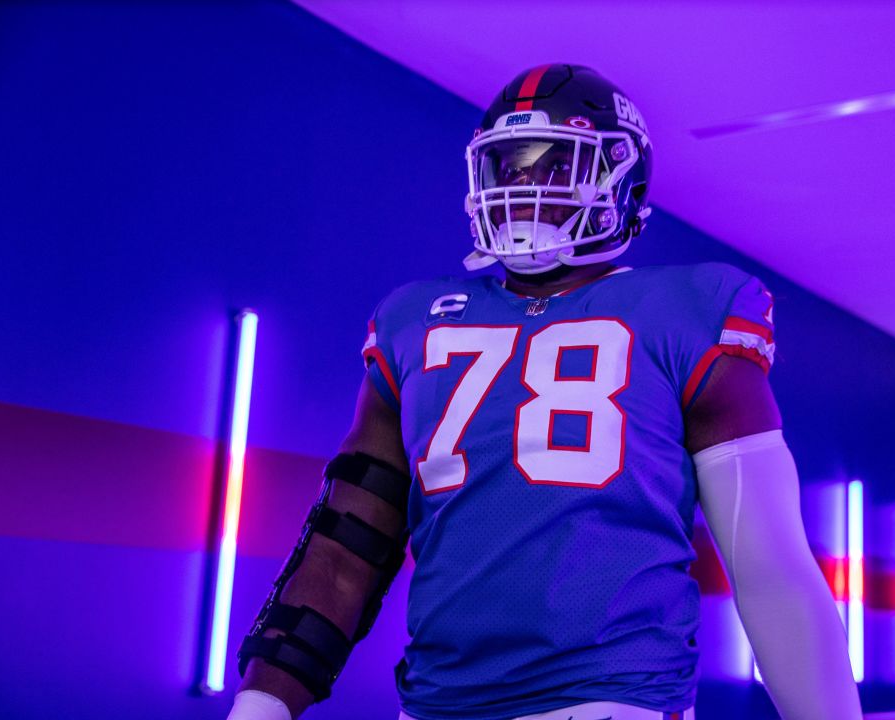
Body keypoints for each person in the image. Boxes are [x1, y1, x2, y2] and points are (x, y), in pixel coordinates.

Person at [227, 64, 862, 720]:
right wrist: (261, 704)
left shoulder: (689, 310)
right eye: (509, 168)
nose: (524, 187)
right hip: (437, 706)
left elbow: (771, 570)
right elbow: (347, 540)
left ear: (622, 178)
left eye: (556, 168)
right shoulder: (413, 320)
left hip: (610, 701)